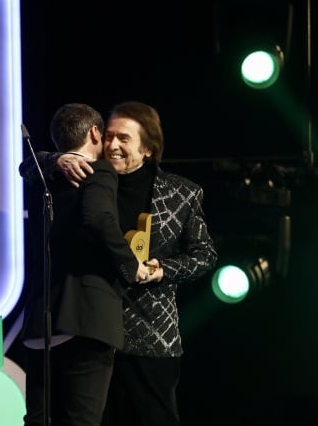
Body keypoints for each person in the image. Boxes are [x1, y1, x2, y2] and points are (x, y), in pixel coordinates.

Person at [21, 101, 218, 426]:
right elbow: (29, 167)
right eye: (109, 136)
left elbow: (205, 255)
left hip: (148, 333)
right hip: (89, 326)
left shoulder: (181, 194)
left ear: (148, 149)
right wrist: (57, 158)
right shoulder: (85, 176)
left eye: (124, 139)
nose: (113, 145)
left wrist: (162, 270)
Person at [20, 103, 152, 426]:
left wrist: (52, 160)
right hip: (87, 318)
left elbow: (26, 165)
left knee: (37, 420)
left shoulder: (41, 175)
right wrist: (130, 265)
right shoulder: (100, 170)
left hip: (42, 321)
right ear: (94, 133)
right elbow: (97, 218)